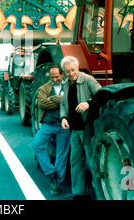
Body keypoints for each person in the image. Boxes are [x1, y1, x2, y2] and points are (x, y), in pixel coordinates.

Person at [60, 56, 101, 200]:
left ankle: (101, 194)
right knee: (76, 162)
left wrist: (88, 103)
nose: (71, 73)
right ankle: (78, 193)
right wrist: (63, 117)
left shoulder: (87, 79)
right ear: (64, 72)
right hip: (74, 130)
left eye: (73, 70)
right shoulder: (66, 83)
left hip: (87, 128)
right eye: (67, 71)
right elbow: (63, 104)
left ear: (77, 68)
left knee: (93, 161)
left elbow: (101, 95)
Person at [32, 65, 70, 196]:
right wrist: (61, 101)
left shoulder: (69, 86)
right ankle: (50, 171)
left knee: (62, 154)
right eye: (52, 77)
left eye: (57, 77)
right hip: (49, 124)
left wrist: (52, 99)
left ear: (62, 74)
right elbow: (41, 103)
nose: (54, 79)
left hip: (65, 125)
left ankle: (57, 182)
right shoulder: (45, 87)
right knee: (37, 144)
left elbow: (70, 102)